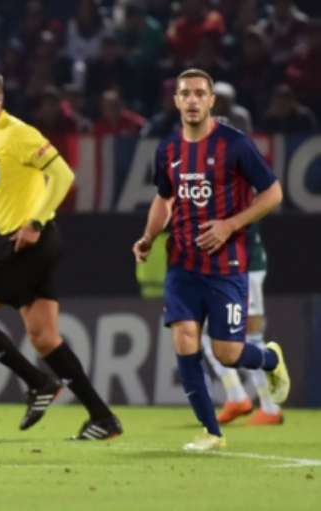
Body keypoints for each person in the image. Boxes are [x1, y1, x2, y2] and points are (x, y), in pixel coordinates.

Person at [0, 66, 123, 440]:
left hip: (30, 241)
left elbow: (63, 175)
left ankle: (37, 382)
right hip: (26, 243)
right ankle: (103, 418)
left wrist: (36, 221)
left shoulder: (18, 134)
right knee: (45, 338)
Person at [132, 68, 290, 451]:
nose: (191, 100)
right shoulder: (167, 150)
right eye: (185, 93)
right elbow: (164, 198)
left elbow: (273, 193)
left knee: (227, 352)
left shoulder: (235, 145)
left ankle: (269, 360)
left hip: (227, 266)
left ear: (210, 101)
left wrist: (230, 225)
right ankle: (210, 432)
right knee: (185, 341)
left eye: (199, 93)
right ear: (176, 101)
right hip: (183, 264)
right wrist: (149, 236)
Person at [202, 223, 284, 425]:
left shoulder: (240, 192)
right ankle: (237, 397)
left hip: (245, 265)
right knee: (207, 332)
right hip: (227, 265)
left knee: (249, 336)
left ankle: (270, 407)